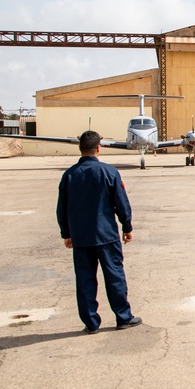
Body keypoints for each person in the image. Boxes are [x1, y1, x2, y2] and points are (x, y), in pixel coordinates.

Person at [57, 130, 142, 333]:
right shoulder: (109, 172)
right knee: (114, 276)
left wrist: (66, 233)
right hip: (105, 235)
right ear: (98, 148)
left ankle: (91, 323)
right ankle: (123, 317)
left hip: (81, 237)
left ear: (80, 149)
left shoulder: (69, 175)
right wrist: (127, 226)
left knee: (85, 279)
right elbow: (121, 202)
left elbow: (62, 207)